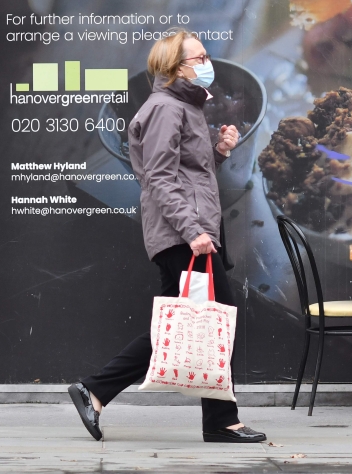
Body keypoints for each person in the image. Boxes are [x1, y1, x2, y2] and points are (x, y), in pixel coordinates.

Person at [67, 30, 267, 443]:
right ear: (176, 68)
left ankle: (215, 419)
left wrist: (220, 152)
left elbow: (188, 172)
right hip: (182, 235)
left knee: (206, 322)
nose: (208, 64)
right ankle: (99, 389)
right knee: (200, 321)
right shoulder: (164, 108)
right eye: (200, 58)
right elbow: (157, 177)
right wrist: (193, 230)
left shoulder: (182, 106)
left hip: (190, 231)